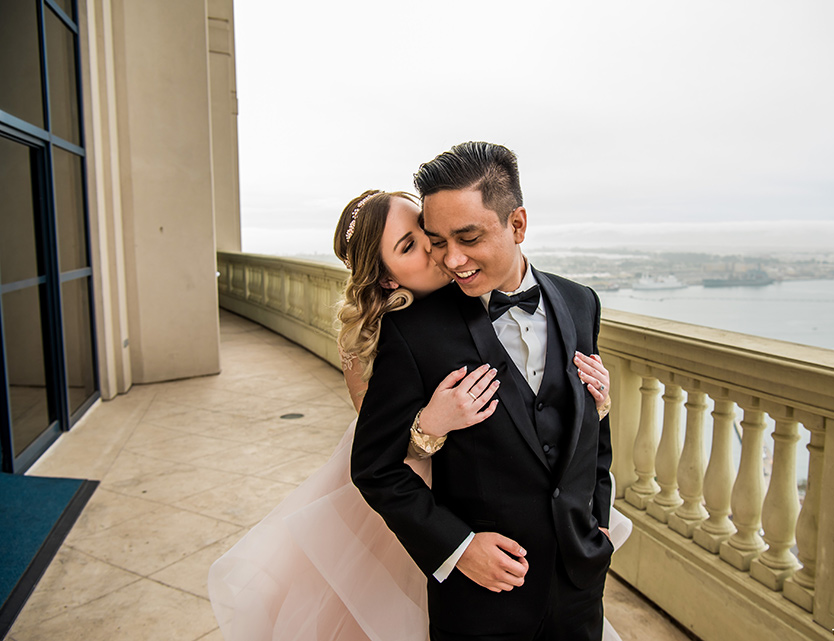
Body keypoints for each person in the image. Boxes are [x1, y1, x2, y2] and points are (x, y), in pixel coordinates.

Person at [208, 189, 626, 640]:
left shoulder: (554, 300)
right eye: (409, 246)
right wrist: (429, 426)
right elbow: (377, 459)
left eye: (428, 234)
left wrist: (593, 412)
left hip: (558, 561)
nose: (435, 251)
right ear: (387, 278)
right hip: (425, 518)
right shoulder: (392, 337)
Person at [351, 142, 618, 641]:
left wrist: (595, 524)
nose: (452, 259)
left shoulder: (582, 304)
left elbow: (593, 434)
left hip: (579, 589)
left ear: (517, 224)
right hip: (480, 604)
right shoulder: (413, 333)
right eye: (436, 241)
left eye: (468, 237)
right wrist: (457, 547)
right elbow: (374, 468)